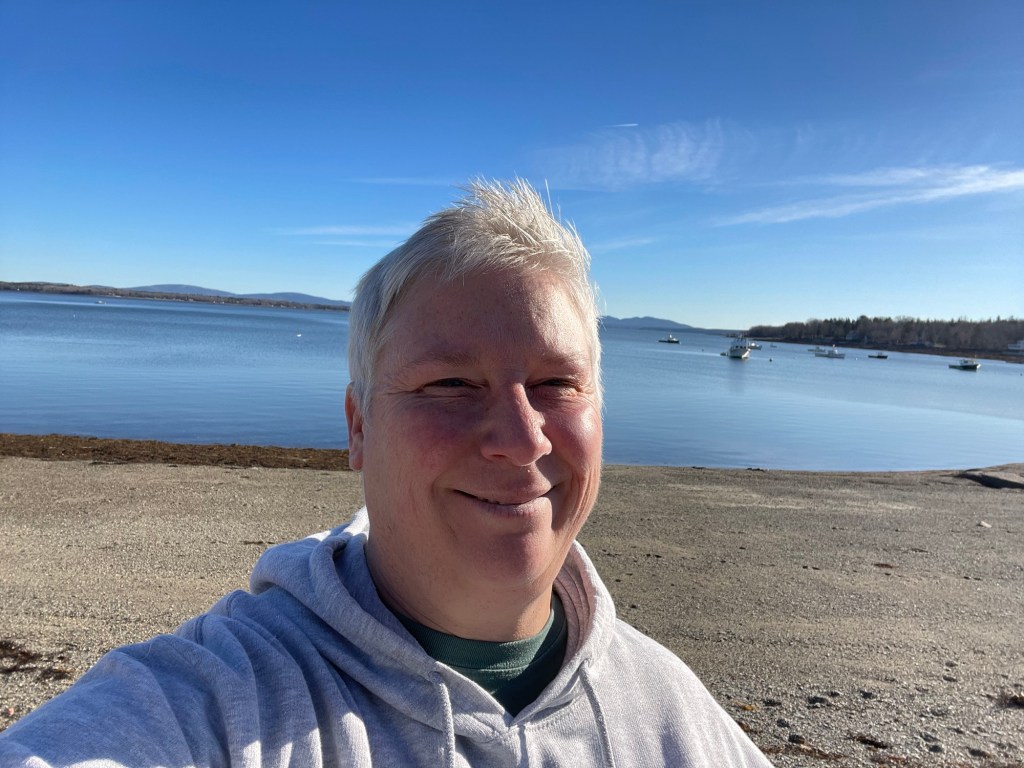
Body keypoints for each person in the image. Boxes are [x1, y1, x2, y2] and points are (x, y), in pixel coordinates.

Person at [0, 180, 773, 767]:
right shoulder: (218, 701)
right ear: (359, 427)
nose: (519, 438)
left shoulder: (669, 711)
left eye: (556, 384)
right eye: (449, 384)